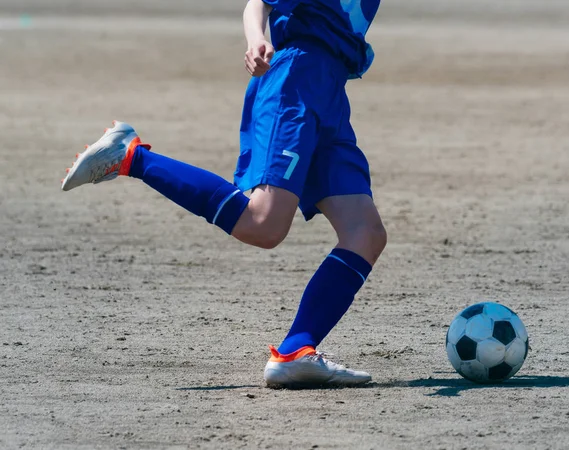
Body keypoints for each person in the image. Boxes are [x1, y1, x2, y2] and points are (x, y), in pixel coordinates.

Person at [61, 0, 385, 388]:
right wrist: (257, 40)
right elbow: (259, 2)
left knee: (364, 233)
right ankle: (130, 156)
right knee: (263, 224)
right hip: (296, 81)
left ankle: (296, 352)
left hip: (329, 87)